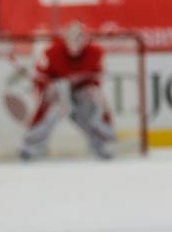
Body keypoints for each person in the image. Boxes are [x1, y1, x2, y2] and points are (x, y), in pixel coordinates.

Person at [20, 22, 116, 160]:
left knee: (91, 107)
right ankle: (30, 146)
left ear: (85, 38)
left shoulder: (96, 53)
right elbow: (43, 78)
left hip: (82, 92)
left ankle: (103, 144)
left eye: (80, 37)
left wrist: (92, 90)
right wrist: (48, 89)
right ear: (66, 37)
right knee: (54, 110)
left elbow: (96, 79)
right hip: (60, 92)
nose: (76, 41)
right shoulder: (52, 52)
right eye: (73, 37)